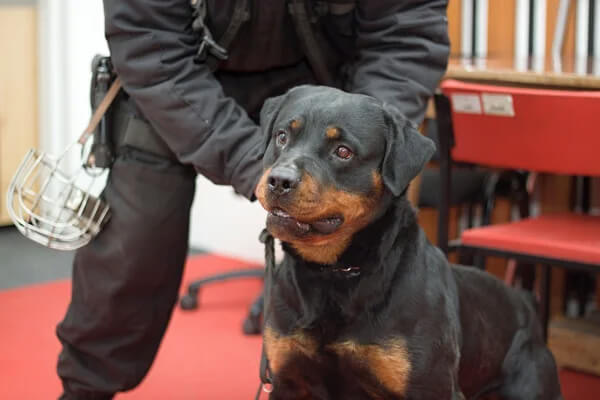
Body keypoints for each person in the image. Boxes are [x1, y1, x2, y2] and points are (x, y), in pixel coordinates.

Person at [56, 1, 450, 398]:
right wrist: (259, 166)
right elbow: (149, 44)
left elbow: (406, 34)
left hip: (329, 83)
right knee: (136, 239)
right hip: (180, 80)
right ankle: (85, 388)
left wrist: (366, 131)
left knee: (367, 221)